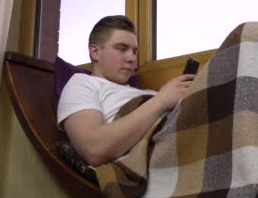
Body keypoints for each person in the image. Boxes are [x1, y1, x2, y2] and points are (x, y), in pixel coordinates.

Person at [57, 15, 195, 166]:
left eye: (134, 51)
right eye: (121, 49)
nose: (131, 58)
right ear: (95, 52)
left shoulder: (145, 93)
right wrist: (161, 100)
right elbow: (94, 148)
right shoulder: (82, 83)